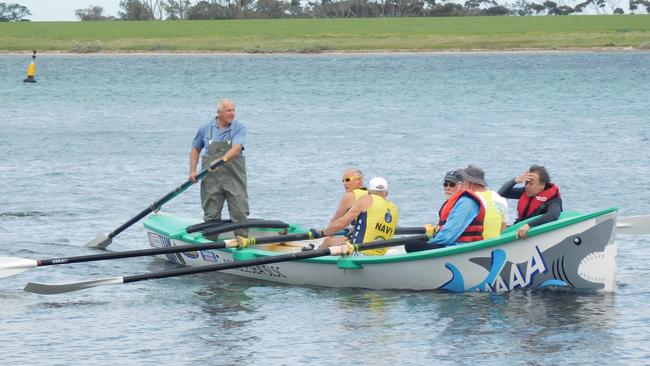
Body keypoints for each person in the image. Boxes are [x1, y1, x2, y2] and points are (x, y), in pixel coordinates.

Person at [189, 99, 249, 237]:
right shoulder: (205, 128)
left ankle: (242, 244)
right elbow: (195, 149)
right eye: (228, 110)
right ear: (219, 113)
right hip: (211, 180)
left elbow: (236, 149)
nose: (232, 113)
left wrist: (220, 161)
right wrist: (192, 171)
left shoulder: (239, 128)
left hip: (234, 179)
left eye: (233, 110)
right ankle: (209, 246)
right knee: (211, 215)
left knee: (239, 213)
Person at [405, 167, 485, 252]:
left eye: (452, 184)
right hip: (453, 245)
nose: (447, 187)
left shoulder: (466, 202)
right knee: (416, 242)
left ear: (461, 185)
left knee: (411, 244)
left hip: (462, 248)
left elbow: (449, 235)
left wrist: (431, 243)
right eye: (445, 184)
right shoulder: (456, 202)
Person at [319, 177, 398, 256]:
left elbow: (341, 223)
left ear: (369, 192)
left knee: (328, 241)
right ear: (386, 193)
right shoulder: (393, 208)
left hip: (358, 254)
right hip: (379, 256)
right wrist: (355, 228)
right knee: (344, 241)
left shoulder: (366, 199)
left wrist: (322, 233)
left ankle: (316, 259)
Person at [498, 164, 562, 240]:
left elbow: (553, 215)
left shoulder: (553, 200)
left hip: (539, 236)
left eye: (531, 183)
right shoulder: (525, 192)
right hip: (519, 228)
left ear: (542, 185)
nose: (527, 186)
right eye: (526, 183)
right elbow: (501, 193)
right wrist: (515, 180)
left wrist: (528, 225)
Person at [320, 168, 367, 247]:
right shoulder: (370, 194)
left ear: (359, 180)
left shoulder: (349, 196)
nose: (344, 183)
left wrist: (325, 234)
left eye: (348, 180)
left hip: (357, 242)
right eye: (343, 181)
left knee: (328, 241)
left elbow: (335, 221)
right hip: (370, 239)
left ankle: (316, 253)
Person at [459, 165, 509, 239]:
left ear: (469, 182)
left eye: (463, 181)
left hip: (475, 246)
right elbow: (503, 228)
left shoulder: (469, 200)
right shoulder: (500, 199)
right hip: (494, 245)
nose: (462, 184)